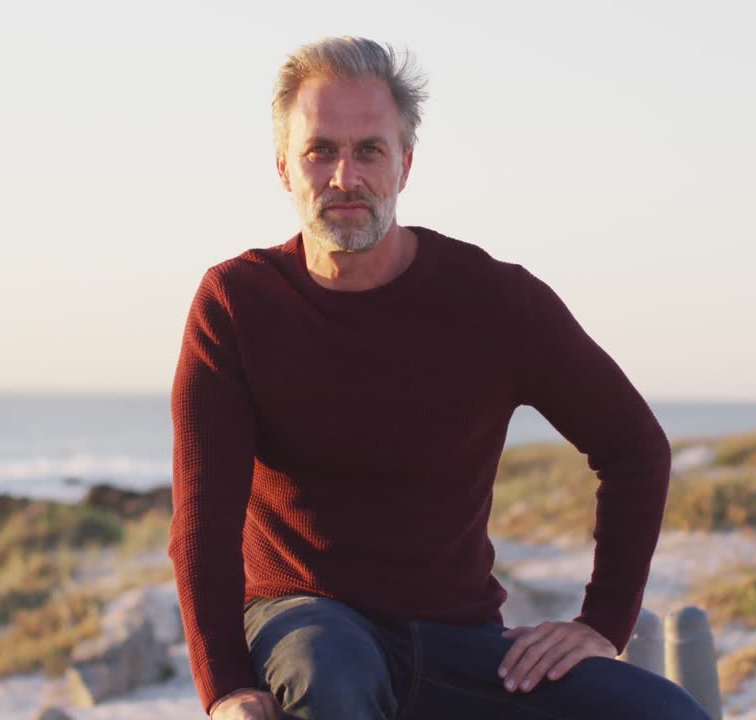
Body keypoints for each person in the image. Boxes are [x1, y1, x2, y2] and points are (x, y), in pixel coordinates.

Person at [170, 36, 710, 720]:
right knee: (330, 671)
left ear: (405, 163)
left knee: (664, 714)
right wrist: (225, 689)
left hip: (462, 644)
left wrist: (601, 622)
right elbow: (202, 522)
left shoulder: (493, 300)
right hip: (306, 622)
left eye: (370, 149)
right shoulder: (237, 303)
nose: (346, 176)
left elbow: (634, 448)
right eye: (321, 151)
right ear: (284, 167)